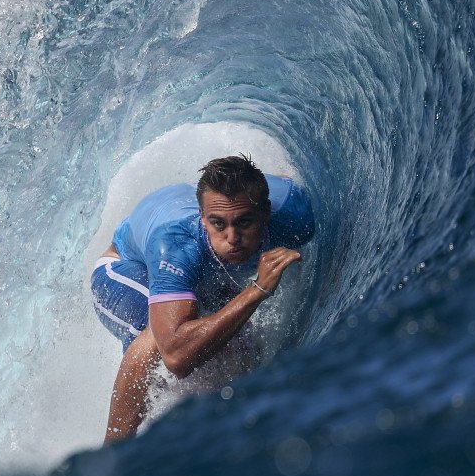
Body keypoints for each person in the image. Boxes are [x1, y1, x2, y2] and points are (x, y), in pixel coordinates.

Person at [90, 155, 316, 442]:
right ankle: (114, 455)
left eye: (244, 222)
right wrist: (256, 290)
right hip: (125, 270)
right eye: (218, 224)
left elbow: (284, 182)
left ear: (266, 212)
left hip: (203, 269)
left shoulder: (294, 213)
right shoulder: (176, 245)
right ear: (202, 217)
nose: (232, 237)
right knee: (153, 339)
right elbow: (176, 355)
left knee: (239, 343)